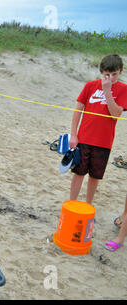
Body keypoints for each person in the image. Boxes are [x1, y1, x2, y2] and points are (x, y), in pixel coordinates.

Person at [69, 54, 127, 205]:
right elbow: (78, 111)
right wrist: (74, 135)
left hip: (104, 142)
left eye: (114, 74)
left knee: (95, 176)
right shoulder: (90, 85)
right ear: (102, 72)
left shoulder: (123, 89)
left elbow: (116, 114)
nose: (111, 78)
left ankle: (88, 205)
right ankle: (72, 203)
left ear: (121, 71)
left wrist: (108, 91)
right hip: (84, 138)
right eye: (107, 74)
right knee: (78, 173)